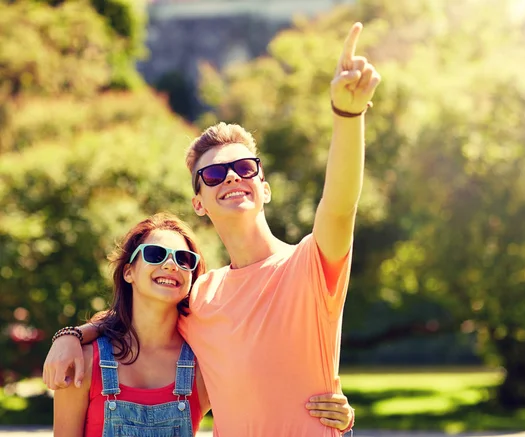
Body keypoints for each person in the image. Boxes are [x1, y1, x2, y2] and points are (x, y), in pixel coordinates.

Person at [45, 22, 380, 436]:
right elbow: (136, 317)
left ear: (264, 188)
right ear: (199, 204)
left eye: (244, 168)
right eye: (215, 173)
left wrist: (348, 114)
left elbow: (341, 204)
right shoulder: (198, 294)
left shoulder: (311, 263)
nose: (232, 178)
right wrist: (71, 335)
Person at [52, 213, 355, 436]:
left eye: (184, 259)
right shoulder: (82, 363)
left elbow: (267, 387)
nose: (171, 264)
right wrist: (69, 336)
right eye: (156, 254)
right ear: (129, 271)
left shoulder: (202, 363)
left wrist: (337, 417)